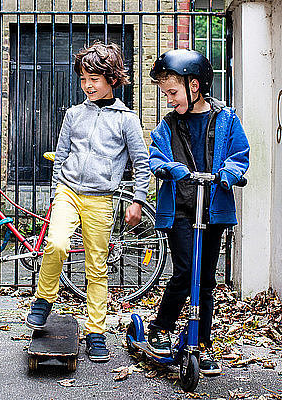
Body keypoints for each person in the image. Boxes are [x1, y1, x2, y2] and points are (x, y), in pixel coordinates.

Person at [25, 42, 151, 362]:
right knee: (55, 243)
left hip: (101, 199)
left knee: (97, 267)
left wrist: (137, 200)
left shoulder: (126, 119)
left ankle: (96, 332)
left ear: (111, 79)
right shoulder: (73, 114)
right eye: (83, 79)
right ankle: (43, 299)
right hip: (68, 191)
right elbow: (62, 155)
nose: (87, 85)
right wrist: (56, 192)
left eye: (94, 78)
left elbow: (141, 161)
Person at [147, 49, 249, 375]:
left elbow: (239, 153)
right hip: (180, 209)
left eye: (172, 92)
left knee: (205, 281)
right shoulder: (168, 125)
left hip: (212, 210)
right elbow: (156, 157)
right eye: (165, 94)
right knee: (185, 272)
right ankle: (161, 328)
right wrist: (170, 168)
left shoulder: (226, 119)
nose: (168, 100)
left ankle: (200, 342)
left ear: (195, 87)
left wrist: (230, 173)